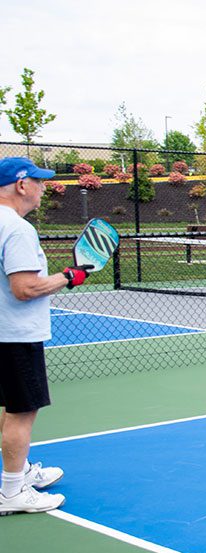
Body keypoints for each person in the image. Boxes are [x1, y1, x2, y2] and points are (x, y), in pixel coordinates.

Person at [0, 157, 90, 516]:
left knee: (11, 408)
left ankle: (19, 472)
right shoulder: (17, 229)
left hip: (3, 333)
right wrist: (68, 276)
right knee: (22, 411)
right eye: (38, 181)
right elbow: (25, 288)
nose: (43, 188)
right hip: (15, 336)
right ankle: (12, 491)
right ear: (22, 185)